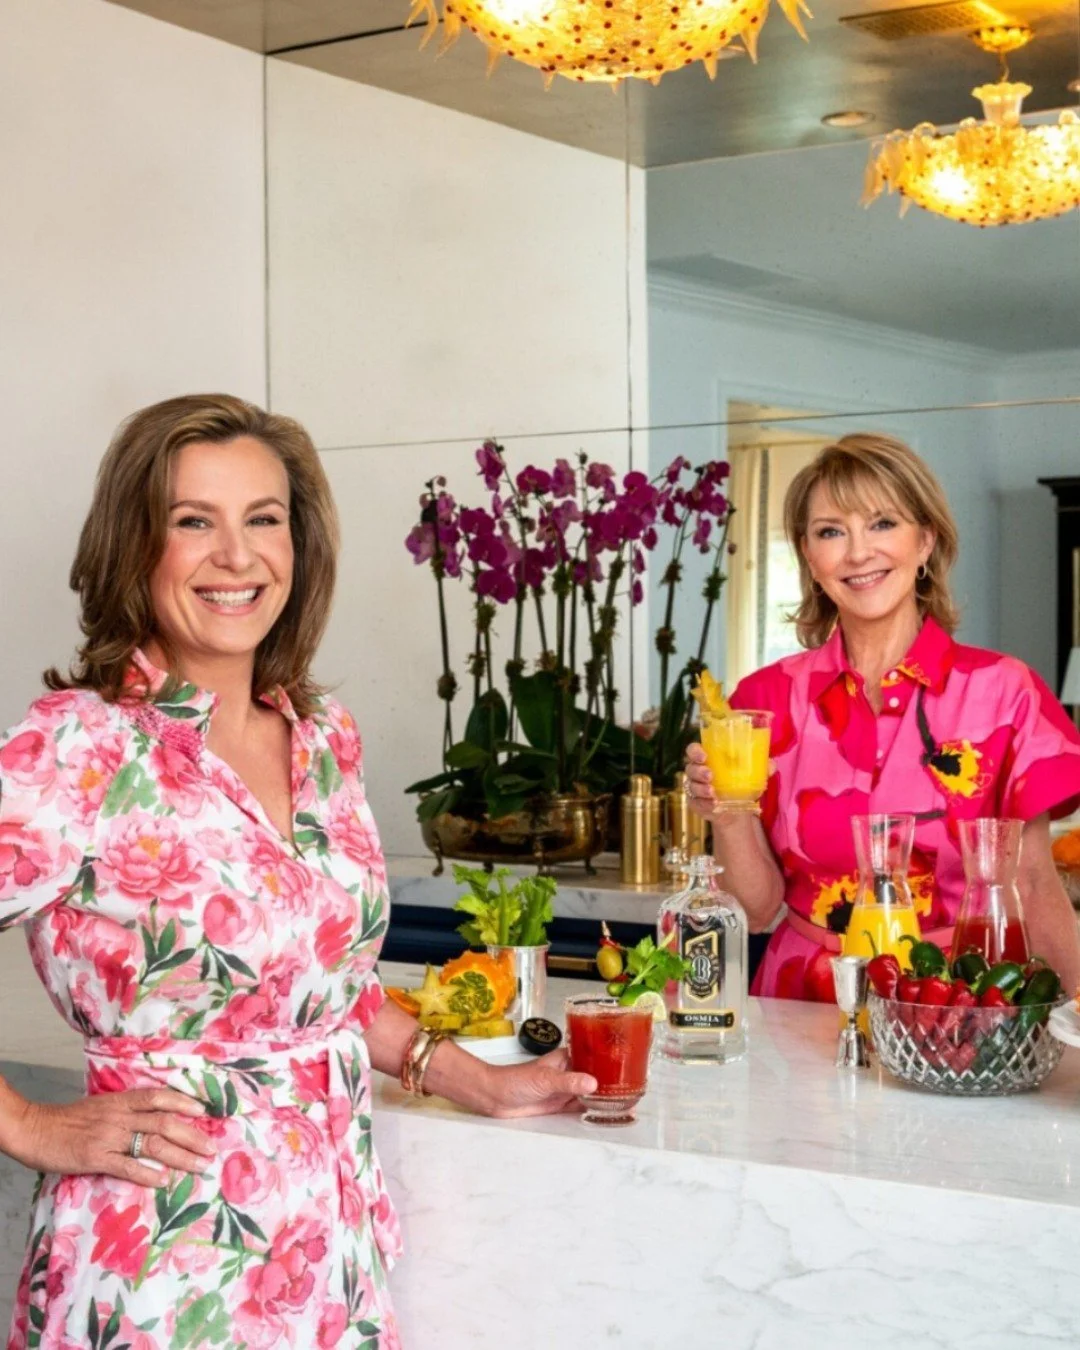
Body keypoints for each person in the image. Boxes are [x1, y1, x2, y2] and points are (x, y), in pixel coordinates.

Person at [0, 394, 597, 1349]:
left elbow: (319, 988)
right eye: (192, 521)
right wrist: (30, 1126)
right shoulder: (81, 748)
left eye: (263, 520)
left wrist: (476, 1081)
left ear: (299, 545)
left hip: (330, 1256)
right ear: (132, 546)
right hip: (161, 1269)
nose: (236, 556)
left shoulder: (322, 738)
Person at [686, 433, 1080, 1001]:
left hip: (953, 1004)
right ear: (808, 556)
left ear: (926, 541)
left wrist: (1070, 1039)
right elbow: (754, 909)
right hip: (802, 1009)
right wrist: (724, 812)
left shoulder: (1003, 694)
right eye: (830, 531)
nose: (857, 552)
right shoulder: (766, 700)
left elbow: (1037, 885)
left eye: (882, 523)